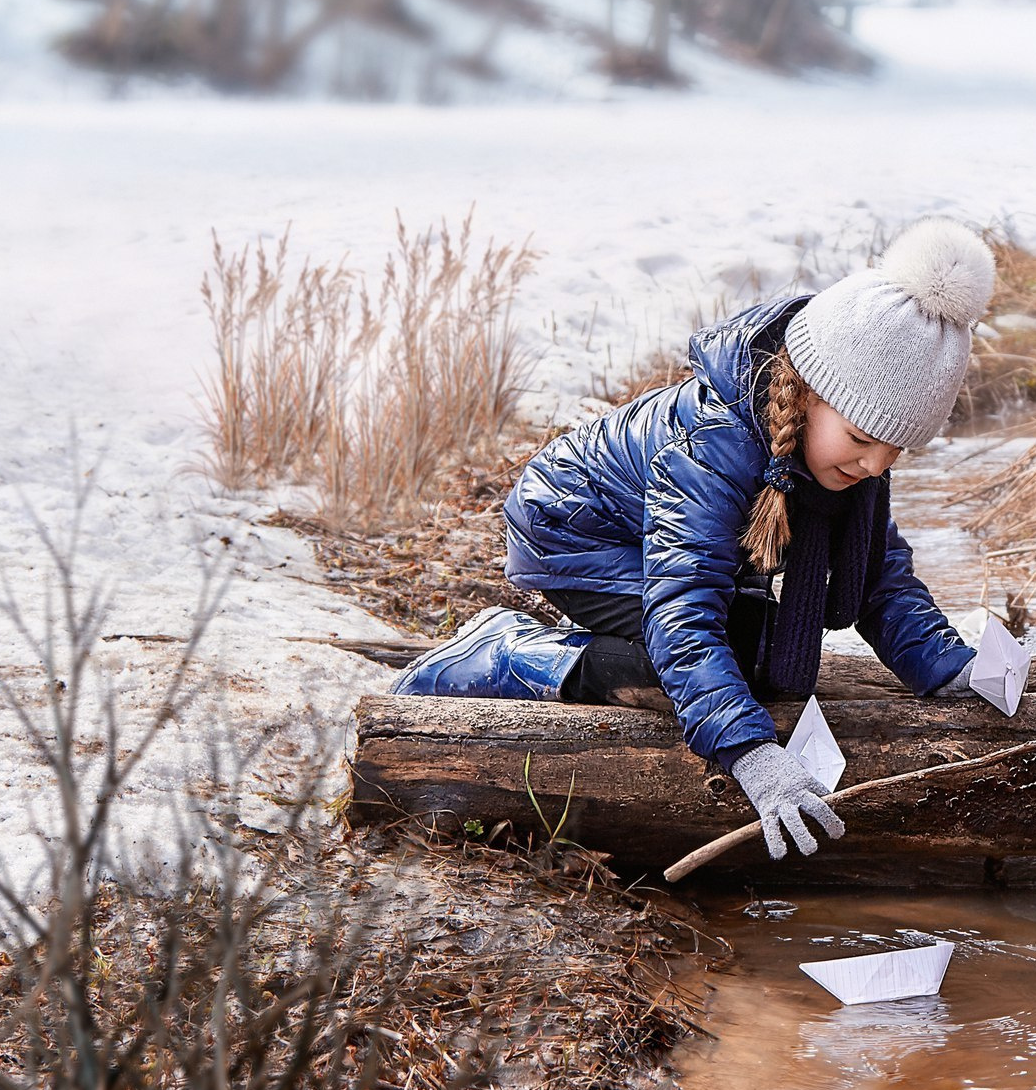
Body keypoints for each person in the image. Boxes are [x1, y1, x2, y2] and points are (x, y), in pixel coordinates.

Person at [391, 219, 995, 858]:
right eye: (864, 441)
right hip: (573, 531)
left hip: (643, 535)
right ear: (811, 394)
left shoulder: (837, 459)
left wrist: (946, 664)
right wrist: (750, 752)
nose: (876, 466)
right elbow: (685, 608)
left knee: (756, 653)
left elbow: (878, 574)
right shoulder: (714, 443)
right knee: (708, 658)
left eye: (896, 449)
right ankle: (507, 651)